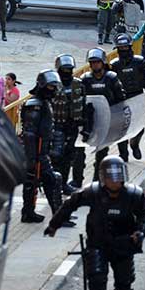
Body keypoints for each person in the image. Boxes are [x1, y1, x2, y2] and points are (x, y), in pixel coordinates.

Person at [44, 155, 145, 290]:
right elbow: (70, 204)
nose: (116, 181)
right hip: (97, 244)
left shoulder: (134, 195)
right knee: (97, 282)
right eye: (111, 177)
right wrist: (54, 224)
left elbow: (144, 217)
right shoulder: (92, 193)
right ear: (103, 178)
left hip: (123, 247)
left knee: (125, 287)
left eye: (119, 176)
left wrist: (140, 233)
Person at [20, 70, 70, 225]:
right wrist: (33, 159)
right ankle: (56, 216)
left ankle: (29, 213)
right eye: (50, 87)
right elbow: (29, 134)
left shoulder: (44, 103)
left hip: (40, 152)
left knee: (35, 182)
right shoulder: (35, 105)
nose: (53, 90)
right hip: (35, 153)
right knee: (51, 180)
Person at [81, 48, 127, 181]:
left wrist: (119, 116)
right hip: (90, 120)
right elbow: (81, 99)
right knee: (79, 151)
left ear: (103, 62)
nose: (95, 65)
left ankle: (97, 178)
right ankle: (78, 179)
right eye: (92, 62)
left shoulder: (111, 78)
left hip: (108, 119)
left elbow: (121, 98)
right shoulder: (86, 79)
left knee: (102, 151)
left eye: (97, 62)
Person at [110, 33, 145, 162]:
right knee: (121, 127)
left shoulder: (139, 62)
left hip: (138, 96)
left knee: (139, 126)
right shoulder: (115, 65)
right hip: (121, 99)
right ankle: (123, 154)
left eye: (126, 47)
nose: (124, 50)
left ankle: (134, 145)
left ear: (130, 47)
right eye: (121, 48)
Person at [50, 54, 89, 194]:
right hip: (56, 126)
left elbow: (83, 105)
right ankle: (52, 184)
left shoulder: (78, 84)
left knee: (68, 157)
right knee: (55, 157)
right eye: (64, 70)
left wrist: (85, 126)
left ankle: (64, 184)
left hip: (72, 126)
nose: (67, 73)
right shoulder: (52, 84)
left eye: (69, 70)